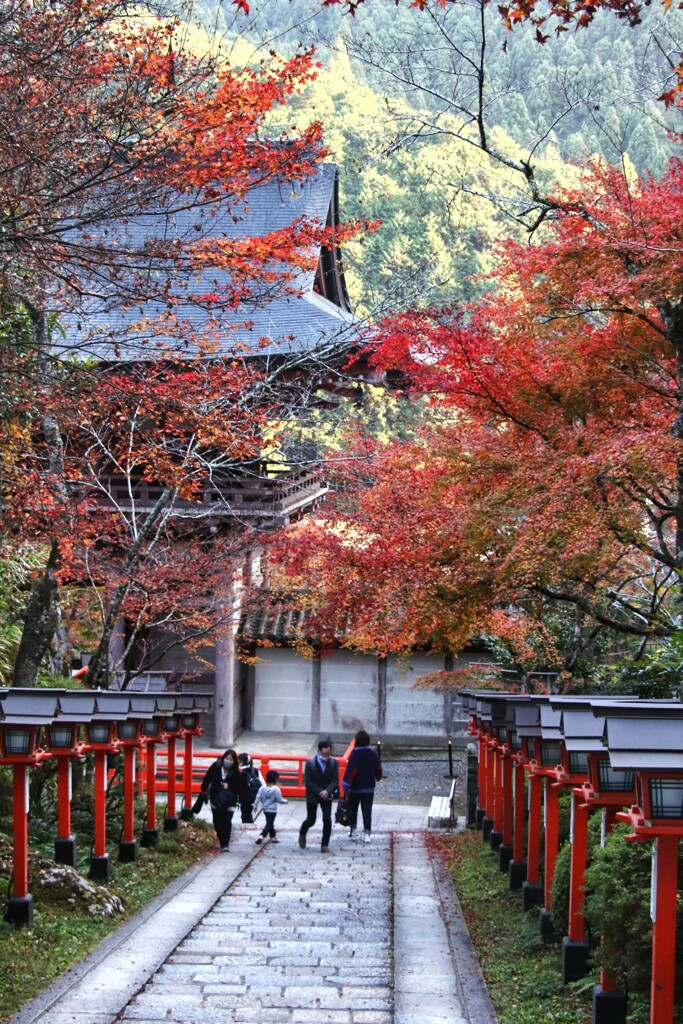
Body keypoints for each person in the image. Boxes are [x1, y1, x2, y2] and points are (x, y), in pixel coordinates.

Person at [199, 748, 250, 851]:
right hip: (216, 798)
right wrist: (204, 790)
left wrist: (229, 786)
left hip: (230, 800)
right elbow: (207, 778)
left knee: (227, 822)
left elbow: (239, 787)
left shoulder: (236, 772)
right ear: (223, 758)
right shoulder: (216, 767)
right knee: (217, 821)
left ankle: (225, 843)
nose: (228, 761)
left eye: (231, 760)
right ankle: (221, 838)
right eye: (227, 758)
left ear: (234, 761)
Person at [298, 737, 339, 854]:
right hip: (314, 794)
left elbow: (335, 780)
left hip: (327, 794)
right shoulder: (310, 763)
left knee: (327, 819)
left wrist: (328, 791)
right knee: (311, 820)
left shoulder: (333, 762)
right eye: (324, 753)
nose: (326, 755)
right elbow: (308, 781)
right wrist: (320, 791)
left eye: (328, 753)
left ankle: (324, 845)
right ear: (319, 751)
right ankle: (302, 832)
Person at [342, 729, 383, 844]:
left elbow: (351, 771)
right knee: (367, 811)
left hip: (355, 788)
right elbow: (378, 769)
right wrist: (378, 777)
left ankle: (353, 830)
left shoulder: (354, 754)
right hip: (369, 787)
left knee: (353, 809)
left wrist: (345, 785)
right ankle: (367, 834)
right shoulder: (372, 754)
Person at [254, 769, 287, 844]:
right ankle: (262, 835)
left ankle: (273, 836)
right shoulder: (276, 790)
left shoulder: (262, 788)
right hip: (272, 810)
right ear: (275, 779)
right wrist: (285, 801)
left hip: (265, 809)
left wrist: (255, 805)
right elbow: (279, 800)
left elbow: (258, 797)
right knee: (269, 823)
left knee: (270, 822)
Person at [238, 751, 265, 817]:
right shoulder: (255, 770)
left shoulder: (240, 772)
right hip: (254, 796)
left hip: (244, 797)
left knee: (245, 815)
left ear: (241, 762)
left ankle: (249, 826)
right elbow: (263, 784)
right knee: (247, 814)